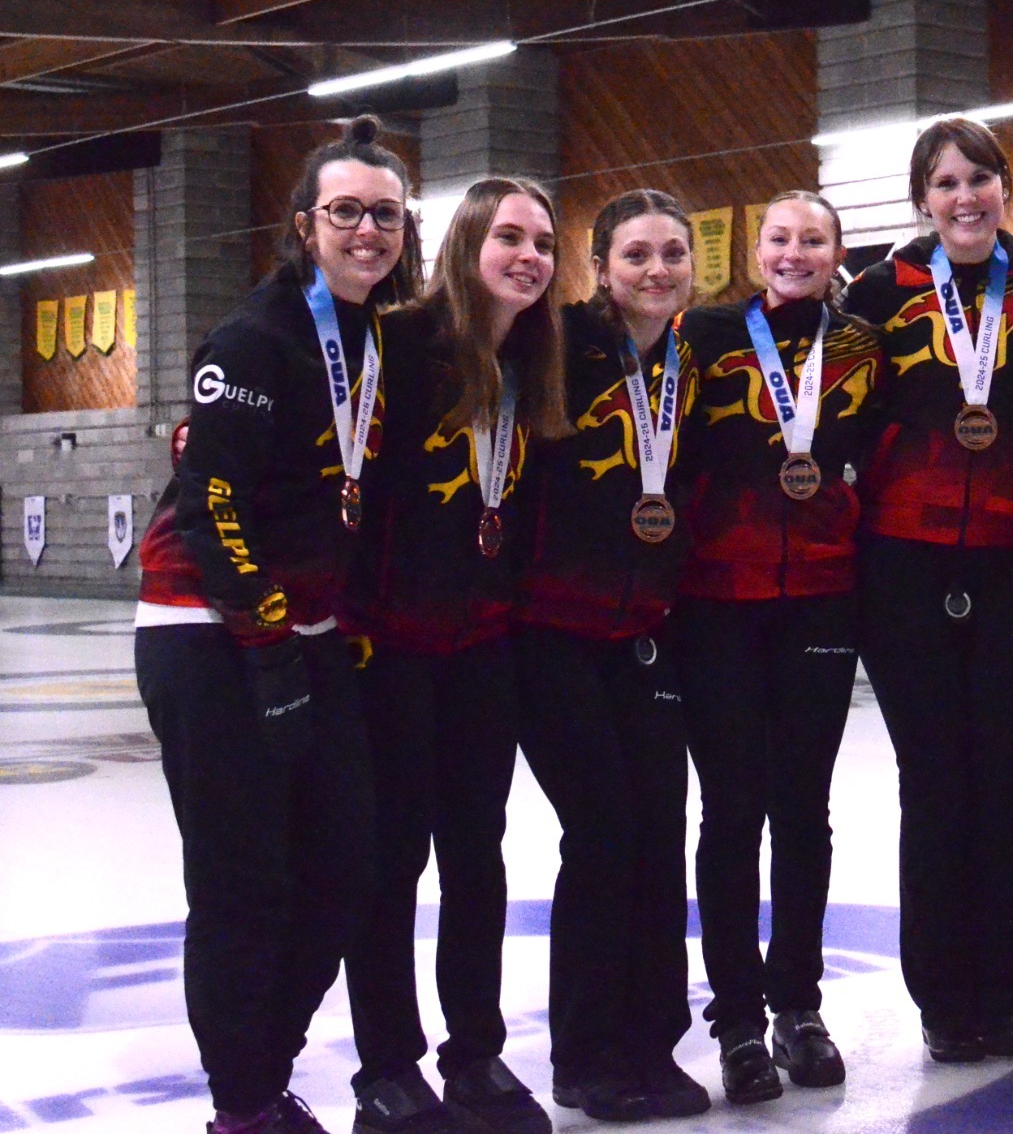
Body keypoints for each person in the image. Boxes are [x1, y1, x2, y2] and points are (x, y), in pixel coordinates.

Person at [134, 115, 418, 1134]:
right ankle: (245, 1105)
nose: (367, 230)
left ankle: (261, 1064)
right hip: (205, 631)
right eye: (346, 212)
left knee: (349, 866)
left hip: (305, 634)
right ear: (307, 225)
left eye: (384, 214)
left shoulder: (374, 336)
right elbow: (210, 499)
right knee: (243, 881)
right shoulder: (256, 335)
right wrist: (263, 647)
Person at [840, 116, 1013, 1062]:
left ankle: (1003, 990)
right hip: (903, 560)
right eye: (945, 183)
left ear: (1005, 188)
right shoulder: (875, 292)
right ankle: (943, 997)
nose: (965, 197)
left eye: (980, 178)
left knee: (1005, 781)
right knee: (933, 781)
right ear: (921, 200)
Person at [339, 178, 570, 1134]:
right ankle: (386, 1066)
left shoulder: (535, 360)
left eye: (544, 242)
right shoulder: (398, 345)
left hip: (483, 650)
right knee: (391, 863)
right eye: (508, 236)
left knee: (477, 858)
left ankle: (475, 1054)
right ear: (467, 242)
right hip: (391, 650)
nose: (529, 256)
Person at [673, 192, 883, 1102]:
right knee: (730, 812)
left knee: (804, 809)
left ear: (838, 253)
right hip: (718, 601)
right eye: (780, 239)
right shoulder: (706, 333)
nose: (795, 253)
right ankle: (737, 1021)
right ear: (755, 250)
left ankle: (799, 1002)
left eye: (813, 239)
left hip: (821, 604)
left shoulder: (863, 344)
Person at [511, 190, 710, 1122]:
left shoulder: (694, 355)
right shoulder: (553, 346)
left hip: (647, 635)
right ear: (600, 266)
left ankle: (652, 1046)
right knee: (602, 836)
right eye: (637, 254)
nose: (658, 270)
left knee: (656, 838)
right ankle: (584, 1057)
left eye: (674, 253)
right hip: (552, 635)